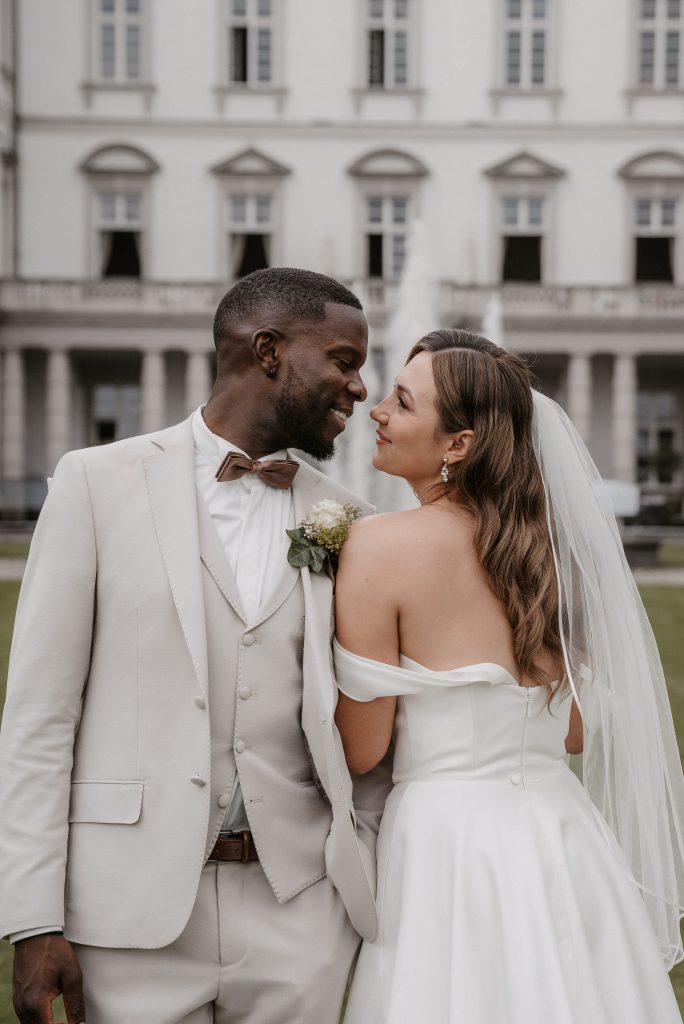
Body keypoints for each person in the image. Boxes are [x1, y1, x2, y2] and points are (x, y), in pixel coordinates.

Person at [0, 267, 392, 1024]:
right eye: (343, 361)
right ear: (270, 350)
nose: (359, 387)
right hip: (125, 916)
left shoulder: (353, 519)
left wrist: (356, 868)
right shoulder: (95, 483)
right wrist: (33, 918)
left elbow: (367, 720)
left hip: (300, 912)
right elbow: (39, 721)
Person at [334, 329, 684, 1023]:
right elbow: (577, 733)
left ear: (457, 444)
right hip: (563, 834)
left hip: (447, 843)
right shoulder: (554, 552)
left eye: (402, 402)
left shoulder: (376, 545)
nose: (377, 410)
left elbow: (361, 749)